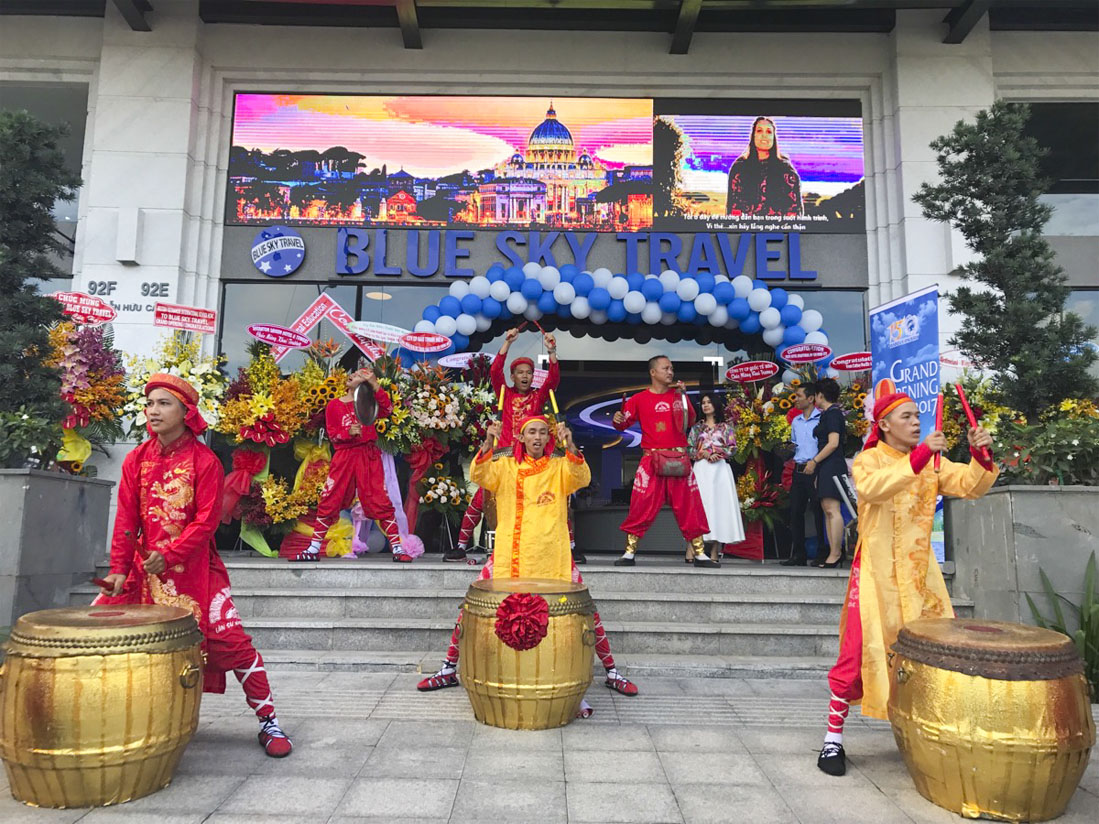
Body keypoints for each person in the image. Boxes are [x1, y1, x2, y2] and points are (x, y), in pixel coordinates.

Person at [95, 374, 292, 758]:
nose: (153, 410)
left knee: (234, 645)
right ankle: (117, 721)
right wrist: (119, 568)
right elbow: (126, 519)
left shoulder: (205, 460)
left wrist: (169, 555)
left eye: (164, 403)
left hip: (197, 571)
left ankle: (268, 721)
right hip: (144, 572)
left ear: (187, 412)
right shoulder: (136, 458)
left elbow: (206, 523)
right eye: (150, 402)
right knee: (101, 638)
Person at [817, 381, 997, 777]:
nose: (916, 422)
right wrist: (918, 456)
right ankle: (833, 740)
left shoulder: (931, 461)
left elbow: (970, 487)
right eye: (907, 417)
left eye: (917, 416)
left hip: (920, 576)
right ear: (883, 425)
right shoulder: (868, 461)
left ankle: (927, 733)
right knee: (857, 653)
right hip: (876, 575)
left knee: (930, 655)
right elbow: (874, 489)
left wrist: (981, 456)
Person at [417, 415, 638, 699]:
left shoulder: (559, 466)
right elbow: (479, 476)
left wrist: (570, 444)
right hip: (510, 554)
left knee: (587, 613)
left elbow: (582, 478)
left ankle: (611, 672)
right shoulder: (506, 466)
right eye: (531, 432)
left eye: (542, 433)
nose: (537, 437)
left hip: (553, 555)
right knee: (470, 608)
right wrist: (488, 441)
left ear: (549, 438)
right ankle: (448, 668)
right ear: (520, 437)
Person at [452, 327, 560, 562]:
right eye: (520, 372)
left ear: (533, 376)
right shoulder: (505, 393)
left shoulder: (537, 397)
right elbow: (494, 372)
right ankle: (461, 545)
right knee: (481, 498)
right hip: (503, 457)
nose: (524, 376)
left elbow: (553, 380)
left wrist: (552, 352)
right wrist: (506, 343)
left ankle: (567, 546)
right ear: (513, 376)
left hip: (530, 460)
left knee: (549, 498)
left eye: (529, 373)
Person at [298, 365, 412, 562]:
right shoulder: (334, 405)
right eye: (354, 372)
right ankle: (313, 548)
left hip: (368, 457)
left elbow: (388, 410)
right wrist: (347, 433)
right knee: (330, 498)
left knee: (380, 500)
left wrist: (375, 384)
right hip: (344, 457)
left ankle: (397, 549)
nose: (353, 374)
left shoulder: (370, 403)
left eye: (360, 375)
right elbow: (333, 434)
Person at [612, 355, 709, 566]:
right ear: (653, 372)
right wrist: (616, 419)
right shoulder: (638, 399)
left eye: (672, 369)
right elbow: (622, 424)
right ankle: (629, 552)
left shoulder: (678, 395)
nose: (671, 372)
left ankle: (700, 552)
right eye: (666, 368)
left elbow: (690, 420)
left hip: (678, 459)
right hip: (651, 460)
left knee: (689, 506)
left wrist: (684, 397)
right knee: (641, 506)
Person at [688, 392, 745, 566]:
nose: (705, 405)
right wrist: (702, 453)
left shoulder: (726, 427)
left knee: (719, 508)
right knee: (698, 507)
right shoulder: (696, 428)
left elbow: (733, 448)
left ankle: (714, 551)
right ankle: (691, 549)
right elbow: (688, 448)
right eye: (703, 403)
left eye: (709, 402)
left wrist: (717, 453)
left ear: (716, 405)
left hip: (720, 470)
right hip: (701, 469)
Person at [782, 382, 824, 566]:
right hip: (798, 470)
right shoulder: (796, 421)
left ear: (810, 398)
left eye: (799, 396)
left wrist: (815, 464)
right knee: (795, 513)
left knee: (819, 512)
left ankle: (823, 552)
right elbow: (795, 444)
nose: (796, 399)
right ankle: (798, 554)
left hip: (815, 470)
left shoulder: (822, 419)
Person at [726, 116, 803, 218]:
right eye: (759, 131)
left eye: (768, 132)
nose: (764, 136)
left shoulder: (785, 170)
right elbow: (733, 210)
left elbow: (794, 212)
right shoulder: (740, 168)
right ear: (753, 136)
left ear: (774, 138)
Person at [808, 378, 848, 568]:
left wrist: (814, 461)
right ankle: (833, 551)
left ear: (820, 395)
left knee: (832, 510)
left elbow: (833, 443)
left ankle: (835, 552)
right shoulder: (828, 414)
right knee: (827, 510)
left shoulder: (833, 414)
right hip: (826, 465)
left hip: (831, 463)